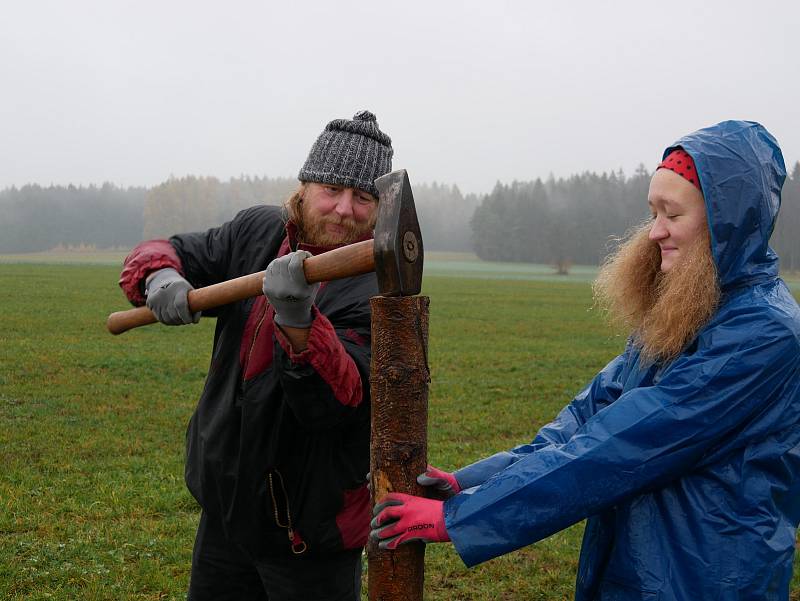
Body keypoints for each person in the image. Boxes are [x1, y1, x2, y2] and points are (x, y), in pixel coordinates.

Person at [371, 120, 800, 600]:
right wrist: (473, 482)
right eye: (652, 211)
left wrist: (464, 517)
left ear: (727, 223)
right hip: (638, 564)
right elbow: (588, 418)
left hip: (707, 574)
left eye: (673, 215)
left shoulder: (763, 334)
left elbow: (623, 446)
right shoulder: (687, 310)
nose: (655, 232)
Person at [119, 110, 393, 600]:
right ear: (306, 186)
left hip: (311, 533)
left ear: (378, 208)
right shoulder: (257, 232)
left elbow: (336, 402)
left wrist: (298, 319)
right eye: (332, 190)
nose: (344, 209)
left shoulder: (378, 287)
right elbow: (176, 249)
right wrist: (160, 275)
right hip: (227, 513)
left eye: (363, 197)